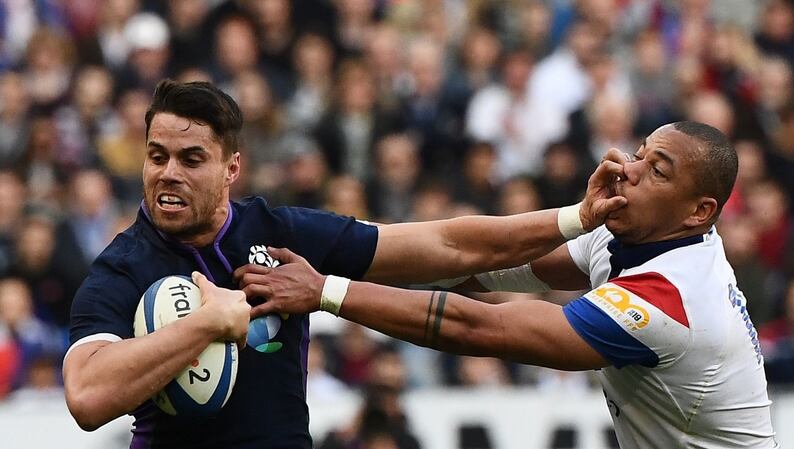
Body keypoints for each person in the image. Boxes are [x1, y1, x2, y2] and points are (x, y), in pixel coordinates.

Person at [62, 79, 626, 448]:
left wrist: (576, 217)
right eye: (157, 157)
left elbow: (448, 246)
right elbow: (87, 398)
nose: (168, 174)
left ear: (232, 168)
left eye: (191, 159)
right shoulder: (122, 266)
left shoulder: (280, 233)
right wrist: (208, 323)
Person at [238, 122, 780, 448]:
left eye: (657, 171)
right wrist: (350, 251)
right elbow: (482, 266)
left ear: (699, 212)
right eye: (640, 152)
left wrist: (326, 289)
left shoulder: (671, 300)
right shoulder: (631, 235)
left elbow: (480, 326)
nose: (630, 170)